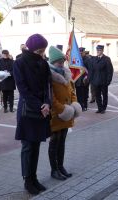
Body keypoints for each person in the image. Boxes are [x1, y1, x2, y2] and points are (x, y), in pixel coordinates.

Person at [13, 34, 51, 195]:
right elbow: (23, 89)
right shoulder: (19, 63)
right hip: (27, 110)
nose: (42, 54)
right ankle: (27, 180)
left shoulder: (43, 63)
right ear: (31, 49)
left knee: (36, 145)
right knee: (28, 146)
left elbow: (48, 85)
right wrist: (40, 106)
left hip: (42, 108)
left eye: (43, 51)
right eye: (39, 51)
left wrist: (47, 102)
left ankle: (34, 177)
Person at [47, 46, 81, 180]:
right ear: (53, 62)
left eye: (62, 61)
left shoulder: (66, 73)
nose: (61, 63)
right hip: (57, 114)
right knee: (54, 142)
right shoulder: (49, 76)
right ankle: (54, 170)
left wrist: (74, 103)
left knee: (62, 141)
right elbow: (51, 97)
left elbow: (72, 91)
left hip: (68, 112)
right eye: (59, 62)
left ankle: (61, 166)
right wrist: (62, 109)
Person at [89, 45, 114, 114]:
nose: (98, 52)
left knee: (104, 95)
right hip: (95, 81)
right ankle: (99, 108)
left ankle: (103, 108)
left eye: (99, 50)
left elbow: (110, 70)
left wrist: (108, 80)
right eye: (97, 50)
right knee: (97, 95)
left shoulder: (106, 59)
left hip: (103, 81)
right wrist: (91, 79)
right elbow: (91, 70)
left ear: (102, 51)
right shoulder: (94, 59)